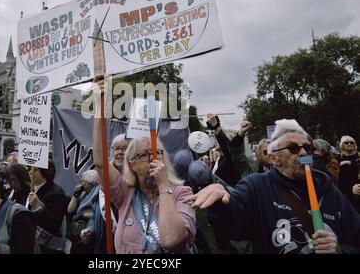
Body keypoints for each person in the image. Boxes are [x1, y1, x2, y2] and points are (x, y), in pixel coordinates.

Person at [187, 119, 360, 254]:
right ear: (274, 158)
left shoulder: (329, 191)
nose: (303, 152)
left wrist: (341, 250)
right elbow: (232, 222)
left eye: (308, 147)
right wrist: (221, 200)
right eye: (293, 148)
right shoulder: (256, 186)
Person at [92, 72, 196, 254]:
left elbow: (171, 240)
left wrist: (164, 186)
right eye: (143, 155)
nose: (152, 159)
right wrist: (99, 106)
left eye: (156, 153)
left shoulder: (182, 194)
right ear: (131, 165)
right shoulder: (124, 193)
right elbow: (100, 163)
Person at [26, 161, 69, 254]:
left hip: (47, 247)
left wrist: (38, 206)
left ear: (45, 172)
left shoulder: (56, 193)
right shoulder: (29, 189)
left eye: (35, 170)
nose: (30, 172)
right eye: (29, 169)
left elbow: (54, 223)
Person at [336, 136, 360, 212]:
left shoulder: (358, 156)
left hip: (357, 187)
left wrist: (350, 163)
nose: (349, 144)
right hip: (343, 188)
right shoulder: (338, 157)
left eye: (352, 142)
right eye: (346, 142)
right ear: (342, 145)